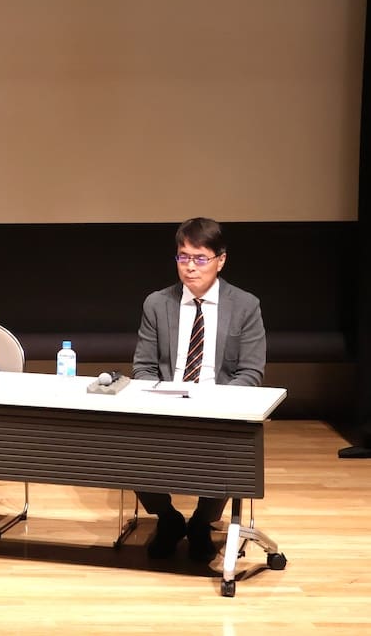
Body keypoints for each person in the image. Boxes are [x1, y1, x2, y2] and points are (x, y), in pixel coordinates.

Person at [131, 217, 265, 562]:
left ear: (221, 260)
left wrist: (212, 403)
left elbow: (251, 373)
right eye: (183, 257)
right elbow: (143, 368)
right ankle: (168, 518)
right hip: (166, 403)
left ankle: (202, 523)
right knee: (128, 442)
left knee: (230, 442)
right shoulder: (157, 303)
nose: (190, 267)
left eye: (200, 258)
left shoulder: (245, 305)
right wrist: (160, 398)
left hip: (217, 408)